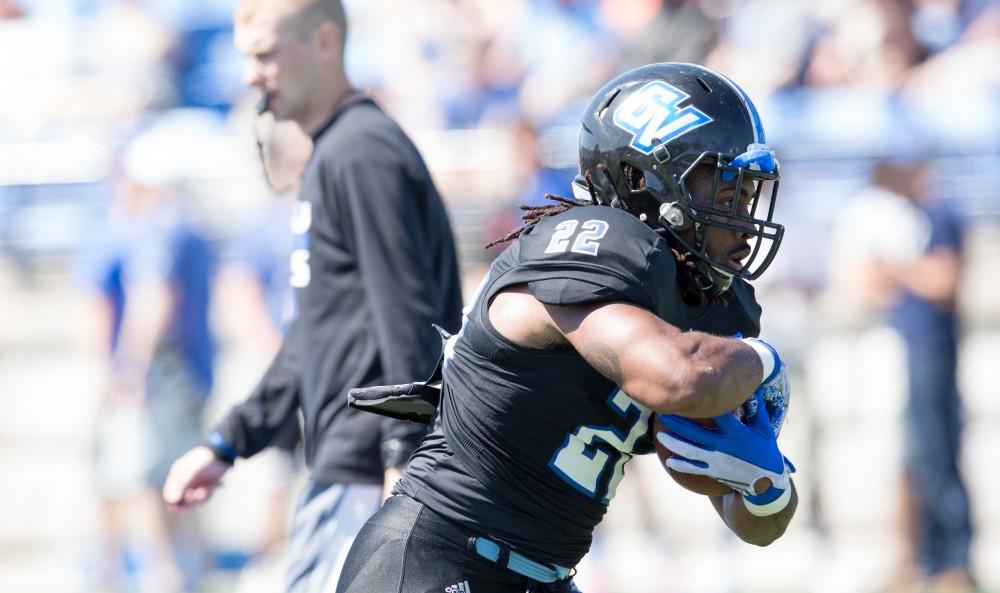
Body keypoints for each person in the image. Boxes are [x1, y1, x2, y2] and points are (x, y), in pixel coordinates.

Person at [336, 62, 798, 593]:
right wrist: (765, 359)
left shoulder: (707, 306)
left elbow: (758, 525)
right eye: (724, 196)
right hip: (439, 557)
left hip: (542, 576)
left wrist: (768, 488)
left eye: (746, 199)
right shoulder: (594, 243)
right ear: (641, 180)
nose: (741, 223)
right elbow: (677, 377)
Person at [161, 1, 464, 592]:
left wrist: (402, 458)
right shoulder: (335, 151)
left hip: (366, 475)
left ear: (325, 41)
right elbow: (314, 332)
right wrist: (230, 441)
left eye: (266, 53)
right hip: (344, 470)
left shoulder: (362, 152)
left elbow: (408, 319)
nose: (251, 74)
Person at [829, 154, 973, 593]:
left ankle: (954, 562)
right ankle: (925, 561)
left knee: (938, 457)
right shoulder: (907, 217)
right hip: (911, 349)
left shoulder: (938, 215)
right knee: (917, 459)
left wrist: (892, 264)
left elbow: (941, 282)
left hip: (933, 351)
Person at [84, 124, 217, 593]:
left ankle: (168, 575)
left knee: (149, 480)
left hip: (167, 375)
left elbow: (154, 299)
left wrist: (131, 366)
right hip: (192, 372)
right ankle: (188, 572)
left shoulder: (164, 226)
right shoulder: (190, 226)